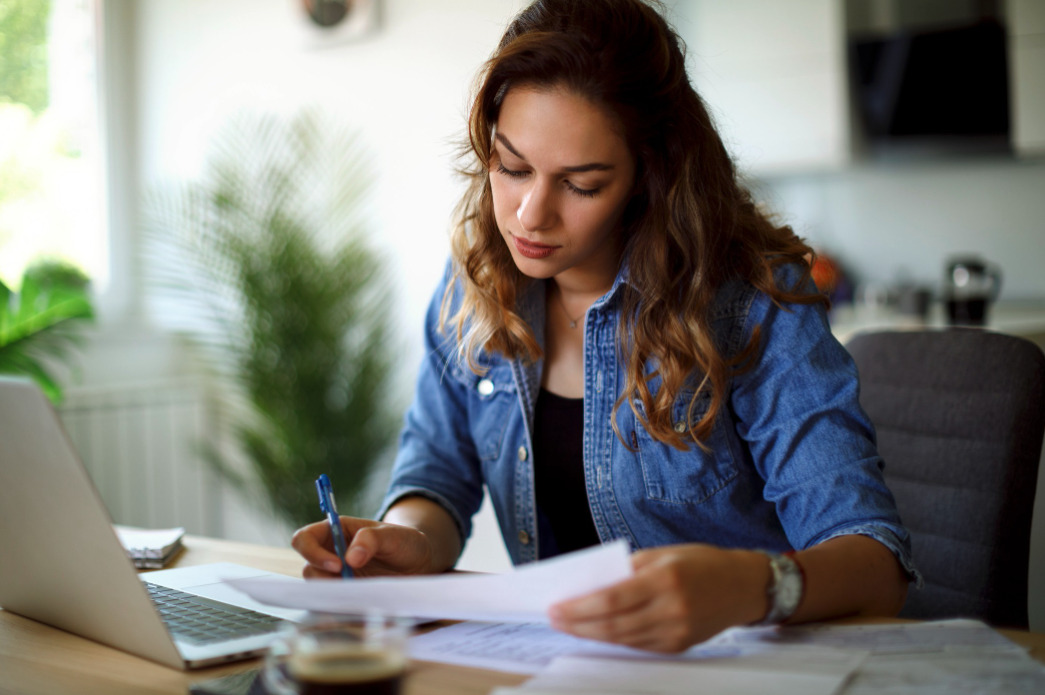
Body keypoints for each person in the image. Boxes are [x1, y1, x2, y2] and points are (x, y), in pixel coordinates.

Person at [293, 0, 919, 653]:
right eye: (511, 167)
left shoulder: (752, 304)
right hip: (560, 664)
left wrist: (749, 584)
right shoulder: (475, 286)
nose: (530, 216)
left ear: (650, 180)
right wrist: (409, 539)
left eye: (582, 184)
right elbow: (437, 474)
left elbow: (876, 565)